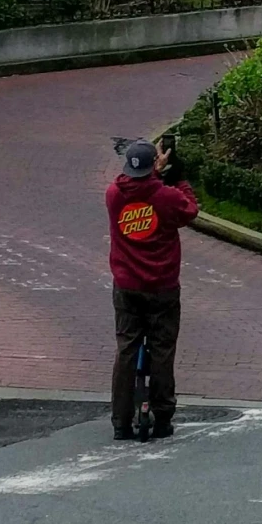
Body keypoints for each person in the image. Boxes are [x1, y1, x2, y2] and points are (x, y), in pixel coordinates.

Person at [105, 138, 198, 441]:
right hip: (162, 287)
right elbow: (189, 210)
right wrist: (176, 176)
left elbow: (132, 185)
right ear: (153, 166)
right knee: (162, 350)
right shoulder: (166, 197)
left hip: (127, 285)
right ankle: (162, 416)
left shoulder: (114, 196)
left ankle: (121, 420)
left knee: (126, 349)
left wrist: (152, 172)